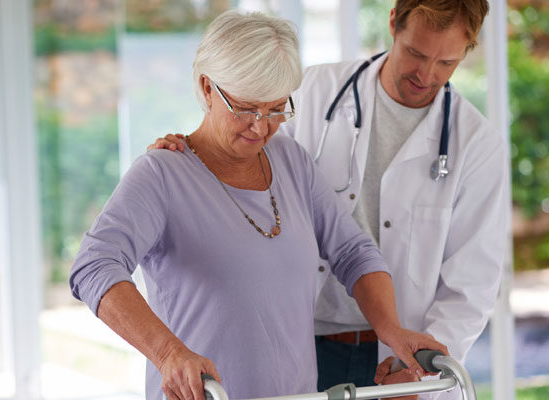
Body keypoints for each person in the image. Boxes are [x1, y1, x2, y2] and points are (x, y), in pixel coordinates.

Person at [70, 10, 447, 400]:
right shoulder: (161, 174)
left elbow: (354, 251)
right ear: (207, 87)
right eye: (247, 108)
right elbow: (94, 265)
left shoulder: (291, 160)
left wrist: (392, 329)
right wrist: (168, 354)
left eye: (276, 109)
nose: (261, 127)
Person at [149, 1, 509, 398]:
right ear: (393, 23)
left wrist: (422, 370)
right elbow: (245, 146)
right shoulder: (313, 91)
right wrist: (195, 155)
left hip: (392, 360)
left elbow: (470, 285)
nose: (425, 75)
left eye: (446, 63)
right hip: (299, 342)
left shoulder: (477, 146)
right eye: (416, 53)